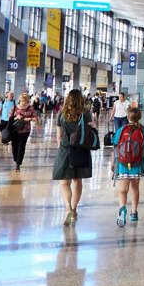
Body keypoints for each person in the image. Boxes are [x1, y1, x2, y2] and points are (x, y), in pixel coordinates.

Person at [53, 89, 94, 226]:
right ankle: (75, 209)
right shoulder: (86, 113)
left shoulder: (62, 113)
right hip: (81, 150)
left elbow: (58, 136)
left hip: (65, 150)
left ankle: (68, 208)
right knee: (77, 181)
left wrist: (62, 145)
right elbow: (90, 131)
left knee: (64, 183)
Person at [111, 106, 144, 226]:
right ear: (139, 117)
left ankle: (122, 208)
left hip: (123, 163)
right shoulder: (143, 130)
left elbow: (115, 147)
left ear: (128, 117)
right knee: (135, 188)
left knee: (123, 190)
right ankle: (134, 212)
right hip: (137, 163)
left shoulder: (122, 129)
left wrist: (114, 163)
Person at [9, 94, 38, 171]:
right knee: (14, 146)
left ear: (27, 101)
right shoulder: (15, 107)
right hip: (15, 130)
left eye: (25, 101)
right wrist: (16, 117)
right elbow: (10, 118)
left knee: (21, 146)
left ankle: (18, 163)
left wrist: (28, 119)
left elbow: (35, 118)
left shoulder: (30, 108)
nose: (23, 102)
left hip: (25, 131)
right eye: (22, 101)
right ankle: (16, 159)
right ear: (20, 100)